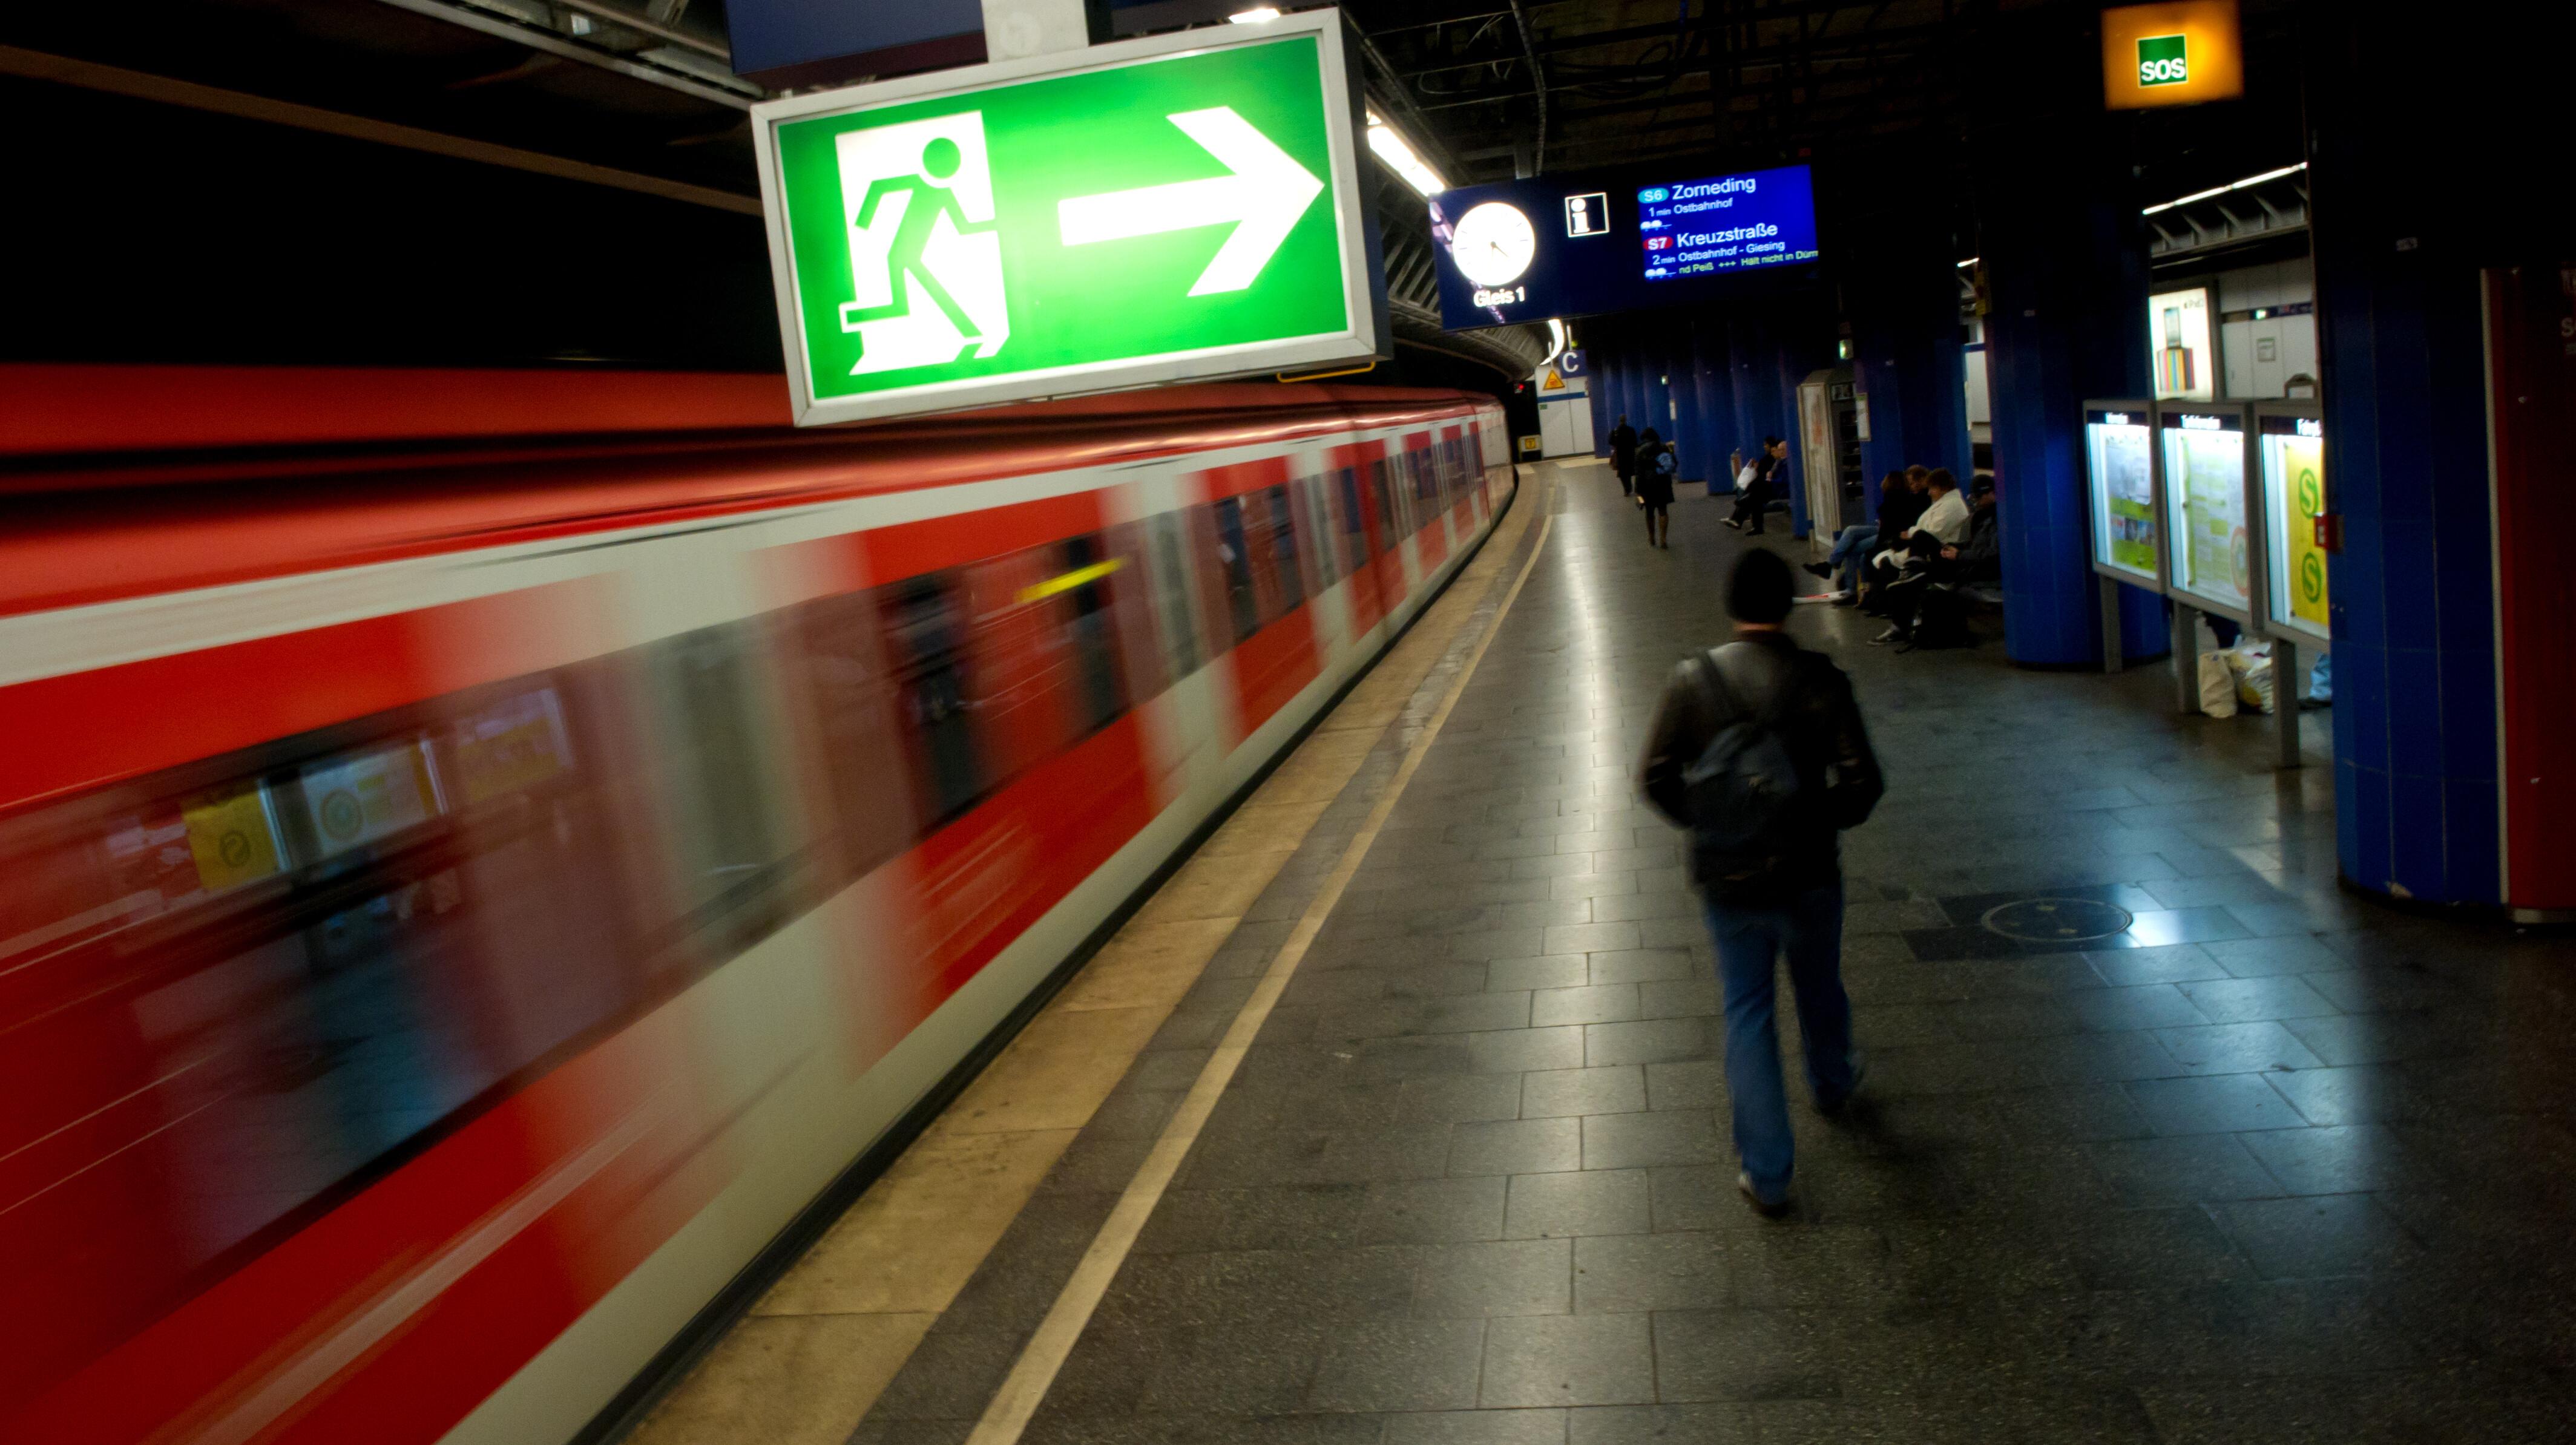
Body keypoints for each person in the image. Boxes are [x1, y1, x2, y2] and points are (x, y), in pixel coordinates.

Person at [1640, 551, 1883, 1214]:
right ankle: (1832, 1083)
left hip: (1729, 880)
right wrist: (1814, 820)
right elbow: (1863, 784)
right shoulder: (1820, 679)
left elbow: (1654, 777)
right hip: (1809, 874)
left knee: (1746, 1011)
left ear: (1730, 605)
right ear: (1786, 606)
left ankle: (1768, 1175)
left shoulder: (1691, 681)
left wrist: (1712, 822)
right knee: (1818, 981)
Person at [1804, 471, 1908, 601]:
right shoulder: (1896, 498)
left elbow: (1891, 525)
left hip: (1889, 534)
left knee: (1853, 548)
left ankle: (1846, 583)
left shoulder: (1894, 500)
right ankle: (1830, 566)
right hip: (1886, 530)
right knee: (1851, 530)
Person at [1726, 436, 1788, 533]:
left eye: (1783, 450)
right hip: (1773, 488)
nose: (1781, 452)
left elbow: (1784, 480)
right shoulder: (1779, 462)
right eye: (1780, 450)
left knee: (1755, 495)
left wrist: (1771, 480)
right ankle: (1754, 526)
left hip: (1780, 490)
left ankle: (1741, 517)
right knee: (1755, 498)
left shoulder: (1786, 463)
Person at [1636, 427, 1677, 547]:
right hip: (1663, 481)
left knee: (1649, 512)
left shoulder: (1639, 450)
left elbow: (1639, 473)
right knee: (1663, 510)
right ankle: (1663, 539)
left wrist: (1638, 491)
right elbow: (1674, 462)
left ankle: (1651, 538)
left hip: (1647, 484)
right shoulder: (1664, 447)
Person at [1609, 415, 1638, 495]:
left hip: (1620, 456)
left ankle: (1627, 489)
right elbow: (1636, 443)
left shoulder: (1615, 431)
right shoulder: (1631, 430)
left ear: (1619, 421)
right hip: (1630, 455)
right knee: (1633, 472)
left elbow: (1611, 442)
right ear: (1626, 420)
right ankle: (1634, 488)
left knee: (1623, 474)